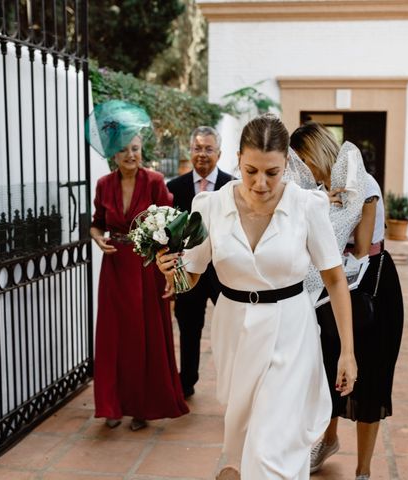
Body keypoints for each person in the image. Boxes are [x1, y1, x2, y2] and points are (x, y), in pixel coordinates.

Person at [156, 114, 357, 479]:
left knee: (270, 445)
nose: (260, 183)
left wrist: (347, 351)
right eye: (250, 171)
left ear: (286, 165)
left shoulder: (307, 206)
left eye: (272, 172)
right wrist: (171, 270)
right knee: (247, 439)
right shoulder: (209, 206)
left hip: (291, 331)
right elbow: (192, 277)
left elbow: (335, 279)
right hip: (234, 330)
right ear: (237, 158)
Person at [290, 122, 404, 480]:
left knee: (371, 377)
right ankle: (328, 439)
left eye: (305, 158)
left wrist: (319, 212)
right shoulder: (317, 190)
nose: (303, 168)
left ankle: (363, 471)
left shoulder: (363, 184)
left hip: (372, 286)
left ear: (320, 151)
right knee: (329, 368)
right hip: (332, 289)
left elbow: (358, 246)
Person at [88, 101, 188, 431]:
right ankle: (113, 405)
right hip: (115, 268)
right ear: (114, 155)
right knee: (114, 336)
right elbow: (97, 222)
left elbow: (172, 229)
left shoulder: (156, 181)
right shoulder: (103, 185)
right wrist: (97, 238)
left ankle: (143, 407)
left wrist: (172, 271)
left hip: (147, 267)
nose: (131, 155)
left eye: (136, 148)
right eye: (124, 150)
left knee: (144, 336)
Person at [165, 126, 233, 398]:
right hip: (188, 270)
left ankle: (233, 383)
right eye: (197, 148)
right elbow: (167, 233)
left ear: (219, 153)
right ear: (189, 151)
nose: (202, 154)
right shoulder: (173, 188)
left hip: (223, 271)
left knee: (231, 327)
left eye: (208, 149)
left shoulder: (231, 186)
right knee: (188, 328)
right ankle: (186, 383)